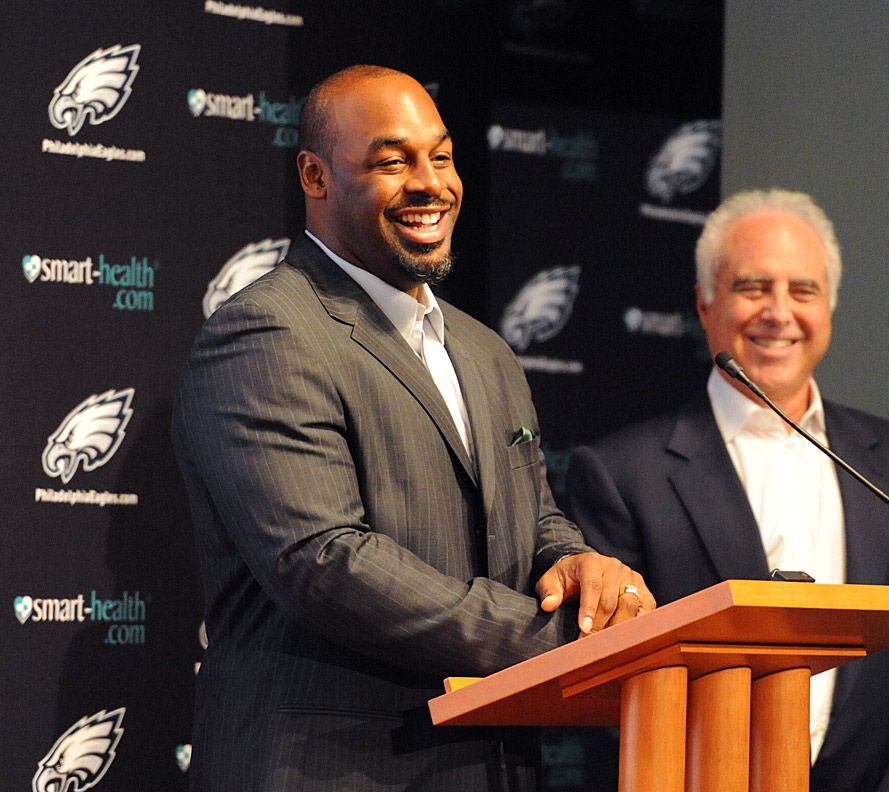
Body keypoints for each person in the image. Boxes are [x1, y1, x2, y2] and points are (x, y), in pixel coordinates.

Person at [172, 65, 654, 791]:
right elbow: (325, 562)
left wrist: (580, 569)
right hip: (333, 771)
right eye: (393, 161)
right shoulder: (269, 331)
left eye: (443, 156)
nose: (431, 184)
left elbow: (535, 519)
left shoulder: (484, 350)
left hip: (491, 764)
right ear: (315, 175)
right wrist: (561, 639)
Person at [565, 189, 889, 792]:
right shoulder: (622, 474)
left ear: (829, 307)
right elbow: (606, 691)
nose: (778, 313)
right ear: (705, 303)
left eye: (803, 290)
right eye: (753, 287)